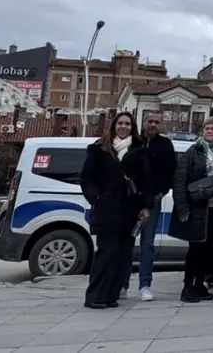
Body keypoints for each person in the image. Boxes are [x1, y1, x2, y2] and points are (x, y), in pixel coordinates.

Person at [80, 112, 153, 309]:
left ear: (132, 127)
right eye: (120, 123)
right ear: (114, 125)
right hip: (106, 208)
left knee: (122, 255)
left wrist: (146, 206)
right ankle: (95, 296)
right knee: (106, 252)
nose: (123, 126)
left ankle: (111, 295)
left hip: (130, 210)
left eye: (127, 124)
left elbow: (146, 181)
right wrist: (96, 197)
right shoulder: (98, 148)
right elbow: (86, 178)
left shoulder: (139, 150)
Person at [170, 116, 213, 303]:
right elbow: (180, 181)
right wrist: (183, 209)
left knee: (208, 249)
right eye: (207, 128)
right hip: (198, 209)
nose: (210, 131)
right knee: (195, 250)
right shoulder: (193, 151)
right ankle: (188, 287)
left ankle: (200, 285)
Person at [126, 113, 175, 301]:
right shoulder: (133, 142)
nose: (153, 125)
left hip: (153, 200)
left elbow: (171, 172)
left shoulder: (165, 145)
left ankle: (144, 285)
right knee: (126, 243)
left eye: (156, 122)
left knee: (147, 245)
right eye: (150, 121)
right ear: (143, 123)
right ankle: (122, 283)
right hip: (130, 200)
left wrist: (161, 192)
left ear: (160, 124)